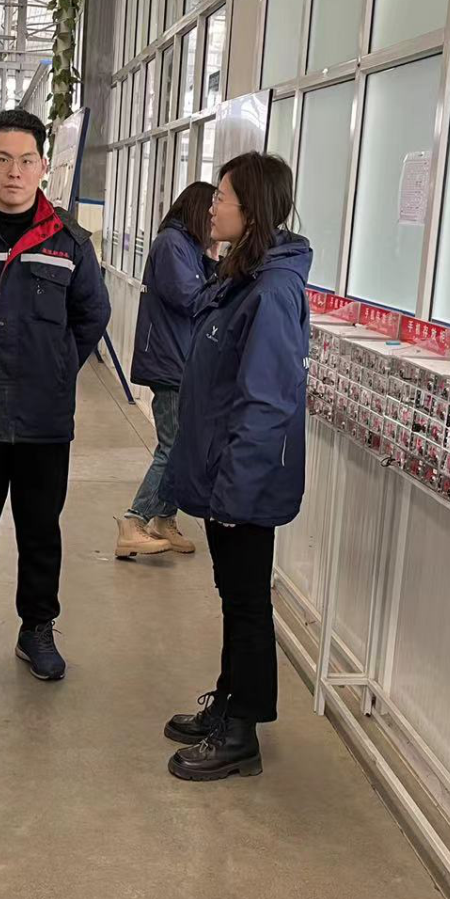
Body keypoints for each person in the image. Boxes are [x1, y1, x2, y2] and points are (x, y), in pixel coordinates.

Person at [0, 109, 111, 686]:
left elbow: (91, 315)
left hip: (42, 420)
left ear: (43, 166)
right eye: (3, 159)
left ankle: (37, 628)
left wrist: (57, 368)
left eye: (26, 160)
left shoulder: (68, 240)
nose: (15, 172)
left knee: (41, 531)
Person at [162, 152, 312, 782]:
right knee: (234, 596)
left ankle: (242, 733)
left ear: (251, 210)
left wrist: (236, 491)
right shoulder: (242, 277)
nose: (212, 206)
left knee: (247, 601)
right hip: (227, 473)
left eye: (222, 196)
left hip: (243, 481)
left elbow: (266, 402)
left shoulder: (272, 291)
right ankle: (227, 701)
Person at [114, 180, 218, 559]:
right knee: (173, 447)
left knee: (180, 445)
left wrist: (213, 258)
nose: (215, 219)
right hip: (170, 361)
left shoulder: (187, 246)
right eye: (212, 211)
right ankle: (134, 519)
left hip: (178, 359)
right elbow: (192, 298)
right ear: (198, 210)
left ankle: (163, 519)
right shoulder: (172, 244)